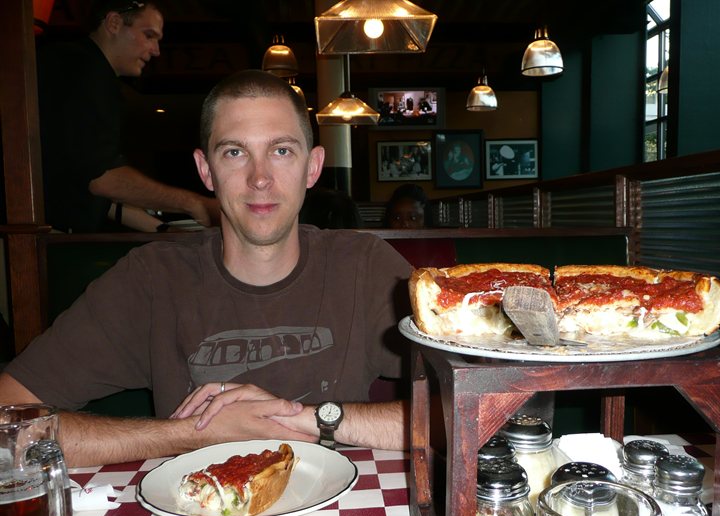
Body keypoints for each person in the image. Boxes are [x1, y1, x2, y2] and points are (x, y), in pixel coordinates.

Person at [0, 70, 413, 467]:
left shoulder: (364, 266)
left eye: (281, 151)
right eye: (235, 152)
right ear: (205, 170)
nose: (260, 178)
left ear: (313, 167)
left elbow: (455, 412)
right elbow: (7, 421)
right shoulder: (152, 280)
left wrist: (312, 420)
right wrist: (191, 434)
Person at [37, 0, 218, 233]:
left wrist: (165, 230)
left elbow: (89, 187)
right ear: (114, 23)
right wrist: (195, 204)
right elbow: (102, 180)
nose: (156, 50)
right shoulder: (85, 72)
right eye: (149, 35)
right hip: (32, 239)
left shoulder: (77, 67)